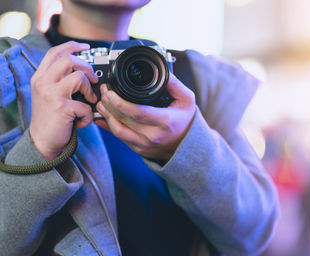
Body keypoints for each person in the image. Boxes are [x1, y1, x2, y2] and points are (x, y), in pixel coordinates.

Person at [0, 0, 279, 255]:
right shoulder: (8, 77)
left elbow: (253, 235)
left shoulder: (199, 80)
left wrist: (187, 145)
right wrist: (40, 148)